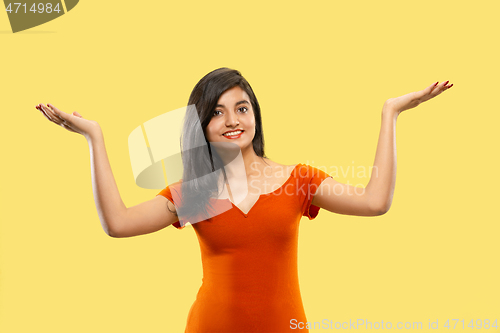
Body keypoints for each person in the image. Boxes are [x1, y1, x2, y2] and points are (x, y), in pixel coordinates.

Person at [36, 68, 453, 332]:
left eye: (241, 107)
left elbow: (375, 201)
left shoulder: (297, 180)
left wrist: (389, 114)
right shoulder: (195, 194)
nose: (233, 121)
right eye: (217, 112)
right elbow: (118, 223)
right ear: (201, 125)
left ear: (255, 113)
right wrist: (95, 137)